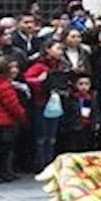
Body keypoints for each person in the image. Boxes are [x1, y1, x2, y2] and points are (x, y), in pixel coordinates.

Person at [23, 39, 71, 171]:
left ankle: (50, 161)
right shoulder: (39, 66)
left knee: (52, 135)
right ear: (48, 50)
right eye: (58, 48)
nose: (61, 52)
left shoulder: (62, 65)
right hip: (42, 103)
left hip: (57, 104)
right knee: (41, 135)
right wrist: (39, 81)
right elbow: (27, 78)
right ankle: (40, 162)